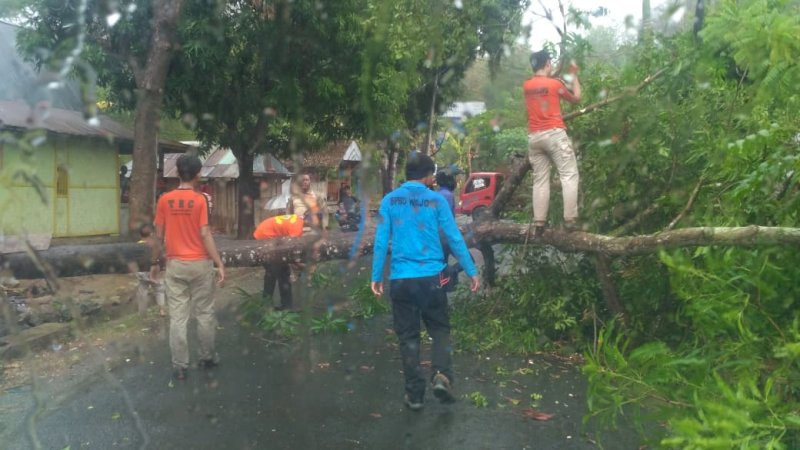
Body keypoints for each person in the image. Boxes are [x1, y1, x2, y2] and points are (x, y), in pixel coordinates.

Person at [371, 151, 480, 411]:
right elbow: (454, 237)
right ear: (429, 176)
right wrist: (471, 269)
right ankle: (441, 375)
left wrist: (376, 276)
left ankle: (415, 395)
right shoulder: (436, 201)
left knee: (408, 337)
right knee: (440, 329)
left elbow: (380, 241)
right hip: (432, 279)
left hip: (401, 280)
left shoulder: (389, 200)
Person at [152, 154, 225, 381]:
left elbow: (158, 236)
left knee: (178, 317)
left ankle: (180, 366)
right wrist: (219, 263)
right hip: (200, 264)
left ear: (176, 173)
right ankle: (207, 358)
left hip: (175, 264)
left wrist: (155, 263)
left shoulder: (164, 199)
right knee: (204, 313)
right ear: (197, 174)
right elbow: (205, 234)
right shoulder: (201, 200)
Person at [523, 49, 582, 235]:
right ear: (548, 63)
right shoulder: (555, 84)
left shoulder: (526, 85)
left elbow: (542, 83)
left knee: (540, 180)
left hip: (534, 137)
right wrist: (574, 77)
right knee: (569, 174)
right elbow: (576, 99)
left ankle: (539, 223)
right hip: (554, 134)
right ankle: (570, 219)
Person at [253, 213, 304, 310]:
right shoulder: (297, 228)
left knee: (283, 272)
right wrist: (299, 265)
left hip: (269, 235)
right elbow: (290, 250)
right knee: (272, 272)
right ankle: (266, 306)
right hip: (265, 236)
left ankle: (287, 305)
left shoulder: (298, 221)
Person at [135, 224, 166, 317]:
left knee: (142, 290)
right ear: (151, 234)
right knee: (159, 290)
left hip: (142, 271)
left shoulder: (137, 245)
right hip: (154, 270)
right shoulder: (154, 244)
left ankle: (142, 312)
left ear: (140, 235)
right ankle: (162, 310)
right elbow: (160, 256)